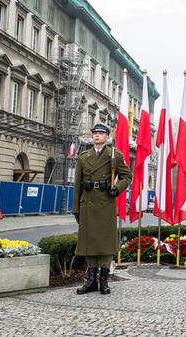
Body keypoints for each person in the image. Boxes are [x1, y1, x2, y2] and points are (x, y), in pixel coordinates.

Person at [73, 123, 132, 295]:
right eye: (95, 133)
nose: (97, 136)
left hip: (106, 202)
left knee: (105, 243)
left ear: (107, 137)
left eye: (101, 133)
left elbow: (127, 176)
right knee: (88, 243)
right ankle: (91, 281)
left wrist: (117, 188)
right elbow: (77, 184)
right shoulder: (84, 157)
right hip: (88, 202)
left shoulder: (114, 155)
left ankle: (104, 281)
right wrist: (76, 207)